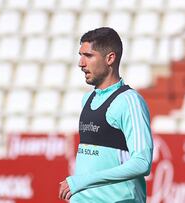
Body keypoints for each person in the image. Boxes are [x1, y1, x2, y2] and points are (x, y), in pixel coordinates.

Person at [58, 27, 154, 202]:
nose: (81, 63)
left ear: (110, 58)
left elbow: (142, 162)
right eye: (80, 55)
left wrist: (82, 182)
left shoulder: (129, 101)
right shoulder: (88, 99)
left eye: (88, 56)